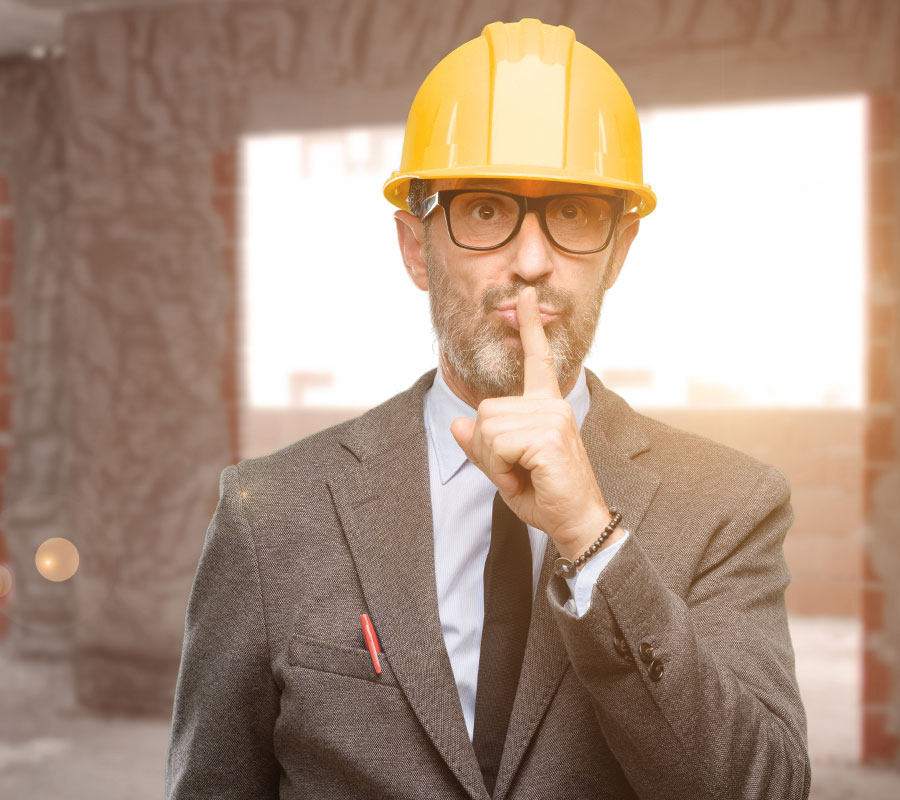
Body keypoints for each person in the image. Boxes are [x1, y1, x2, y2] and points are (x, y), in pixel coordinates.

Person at [165, 18, 810, 800]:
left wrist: (592, 541)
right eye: (484, 211)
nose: (533, 262)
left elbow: (763, 789)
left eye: (573, 214)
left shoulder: (729, 506)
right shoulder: (271, 514)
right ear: (415, 247)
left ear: (620, 253)